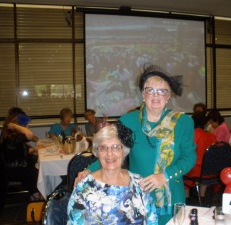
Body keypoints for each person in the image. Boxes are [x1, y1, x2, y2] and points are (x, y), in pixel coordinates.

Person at [75, 64, 197, 224]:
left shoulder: (183, 122)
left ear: (168, 96)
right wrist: (88, 171)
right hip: (137, 195)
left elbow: (189, 158)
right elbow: (113, 153)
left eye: (162, 91)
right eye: (150, 90)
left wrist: (165, 176)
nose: (156, 95)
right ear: (142, 94)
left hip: (171, 197)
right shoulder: (128, 121)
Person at [67, 123, 158, 224]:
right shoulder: (84, 187)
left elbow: (152, 219)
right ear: (97, 152)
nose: (109, 153)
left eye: (115, 147)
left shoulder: (139, 183)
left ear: (123, 151)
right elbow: (74, 221)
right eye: (103, 148)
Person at [0, 109, 41, 201]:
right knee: (38, 168)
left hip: (18, 165)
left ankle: (37, 192)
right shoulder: (12, 139)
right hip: (15, 169)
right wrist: (15, 126)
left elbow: (21, 151)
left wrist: (34, 150)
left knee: (39, 162)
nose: (27, 127)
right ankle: (35, 194)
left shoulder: (14, 137)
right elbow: (30, 135)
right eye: (24, 125)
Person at [184, 112, 217, 202]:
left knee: (182, 170)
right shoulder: (212, 136)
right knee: (204, 169)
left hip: (194, 171)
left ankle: (186, 199)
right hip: (210, 172)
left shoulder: (190, 136)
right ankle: (201, 197)